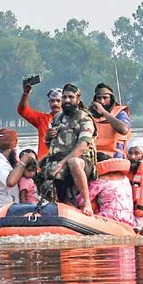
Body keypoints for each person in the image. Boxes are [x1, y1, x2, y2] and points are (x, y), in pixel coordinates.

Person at [43, 83, 97, 214]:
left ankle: (87, 203)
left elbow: (83, 145)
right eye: (64, 97)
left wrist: (63, 162)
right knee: (45, 171)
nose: (67, 100)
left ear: (77, 99)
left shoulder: (85, 118)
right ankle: (62, 205)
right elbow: (51, 145)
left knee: (73, 162)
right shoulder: (57, 118)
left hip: (82, 161)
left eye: (71, 97)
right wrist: (48, 137)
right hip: (59, 161)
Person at [76, 156, 134, 226]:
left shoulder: (100, 180)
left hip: (109, 218)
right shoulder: (126, 179)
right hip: (129, 220)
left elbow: (82, 201)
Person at [17, 81, 63, 159]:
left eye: (58, 101)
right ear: (49, 102)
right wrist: (25, 93)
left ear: (63, 102)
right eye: (52, 101)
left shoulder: (71, 119)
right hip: (43, 165)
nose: (55, 104)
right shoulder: (42, 119)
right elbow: (23, 110)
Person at [89, 83, 132, 159]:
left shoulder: (120, 113)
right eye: (99, 98)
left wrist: (104, 112)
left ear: (111, 99)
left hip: (114, 158)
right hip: (93, 156)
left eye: (105, 98)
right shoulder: (89, 114)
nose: (102, 102)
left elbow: (124, 130)